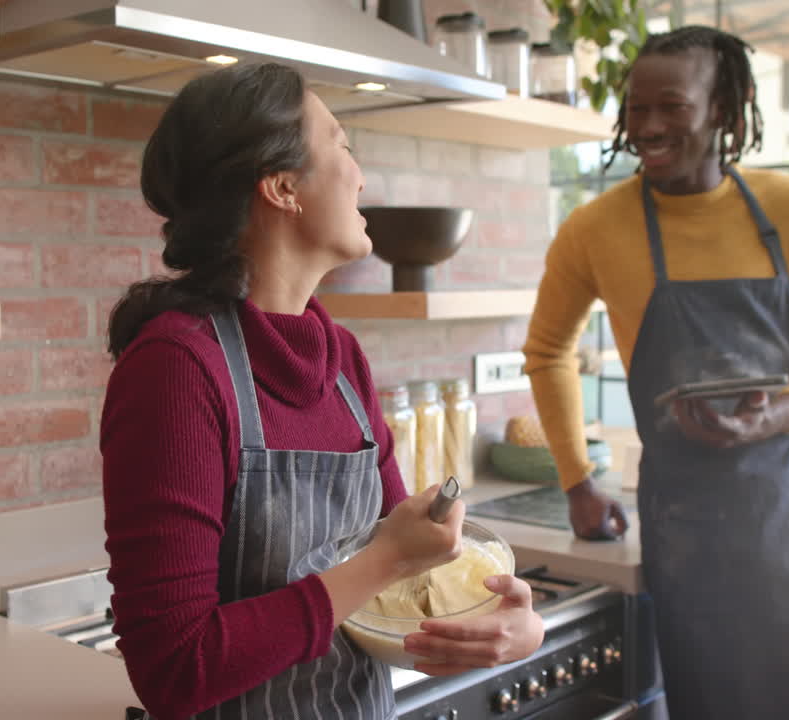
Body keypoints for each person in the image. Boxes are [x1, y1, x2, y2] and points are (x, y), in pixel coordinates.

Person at [101, 62, 544, 720]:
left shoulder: (341, 362)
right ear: (283, 187)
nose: (361, 174)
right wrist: (391, 554)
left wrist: (503, 624)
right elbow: (172, 667)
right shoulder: (176, 368)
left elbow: (403, 585)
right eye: (340, 143)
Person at [522, 25, 789, 720]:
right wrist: (577, 481)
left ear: (724, 108)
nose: (649, 126)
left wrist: (780, 412)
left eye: (672, 107)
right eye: (636, 109)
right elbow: (546, 352)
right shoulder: (595, 228)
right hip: (686, 533)